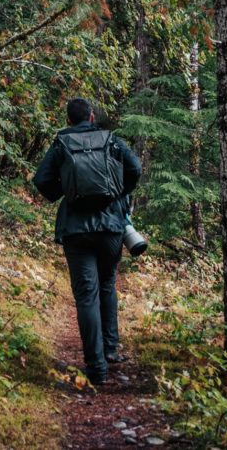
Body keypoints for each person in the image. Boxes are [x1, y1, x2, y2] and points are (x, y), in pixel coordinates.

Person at [33, 97, 142, 385]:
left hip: (76, 229)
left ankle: (96, 367)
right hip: (111, 228)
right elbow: (135, 169)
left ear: (69, 120)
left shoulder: (61, 143)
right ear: (92, 117)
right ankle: (110, 349)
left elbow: (41, 181)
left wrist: (66, 191)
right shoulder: (111, 140)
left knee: (86, 295)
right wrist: (119, 193)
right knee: (107, 285)